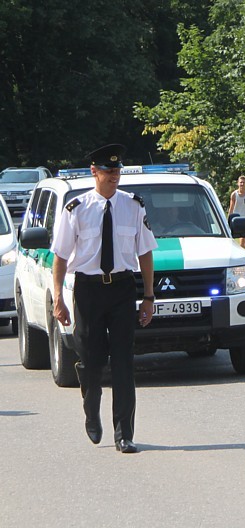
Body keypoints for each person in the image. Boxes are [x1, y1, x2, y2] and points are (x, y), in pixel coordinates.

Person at [51, 144, 157, 454]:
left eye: (118, 171)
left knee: (124, 362)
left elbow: (145, 252)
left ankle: (124, 434)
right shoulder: (76, 208)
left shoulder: (134, 206)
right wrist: (58, 297)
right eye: (109, 171)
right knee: (92, 361)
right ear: (94, 172)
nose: (114, 176)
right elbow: (60, 257)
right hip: (88, 290)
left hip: (123, 289)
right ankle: (91, 409)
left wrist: (148, 296)